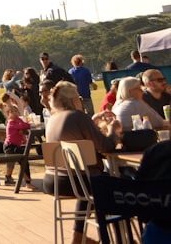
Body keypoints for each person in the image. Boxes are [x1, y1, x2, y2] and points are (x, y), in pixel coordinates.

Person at [44, 81, 120, 244]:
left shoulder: (53, 118)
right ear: (73, 101)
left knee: (88, 187)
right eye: (78, 97)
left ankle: (77, 238)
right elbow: (106, 146)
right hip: (82, 180)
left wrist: (91, 121)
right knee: (112, 184)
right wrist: (114, 129)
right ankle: (120, 237)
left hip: (55, 179)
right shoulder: (77, 116)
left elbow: (75, 134)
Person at [1, 103, 36, 190]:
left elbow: (23, 124)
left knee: (25, 161)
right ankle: (28, 182)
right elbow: (25, 125)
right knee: (23, 161)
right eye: (12, 112)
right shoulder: (11, 123)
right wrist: (28, 125)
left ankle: (28, 181)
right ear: (8, 114)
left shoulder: (17, 120)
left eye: (16, 111)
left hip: (16, 146)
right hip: (10, 147)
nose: (15, 113)